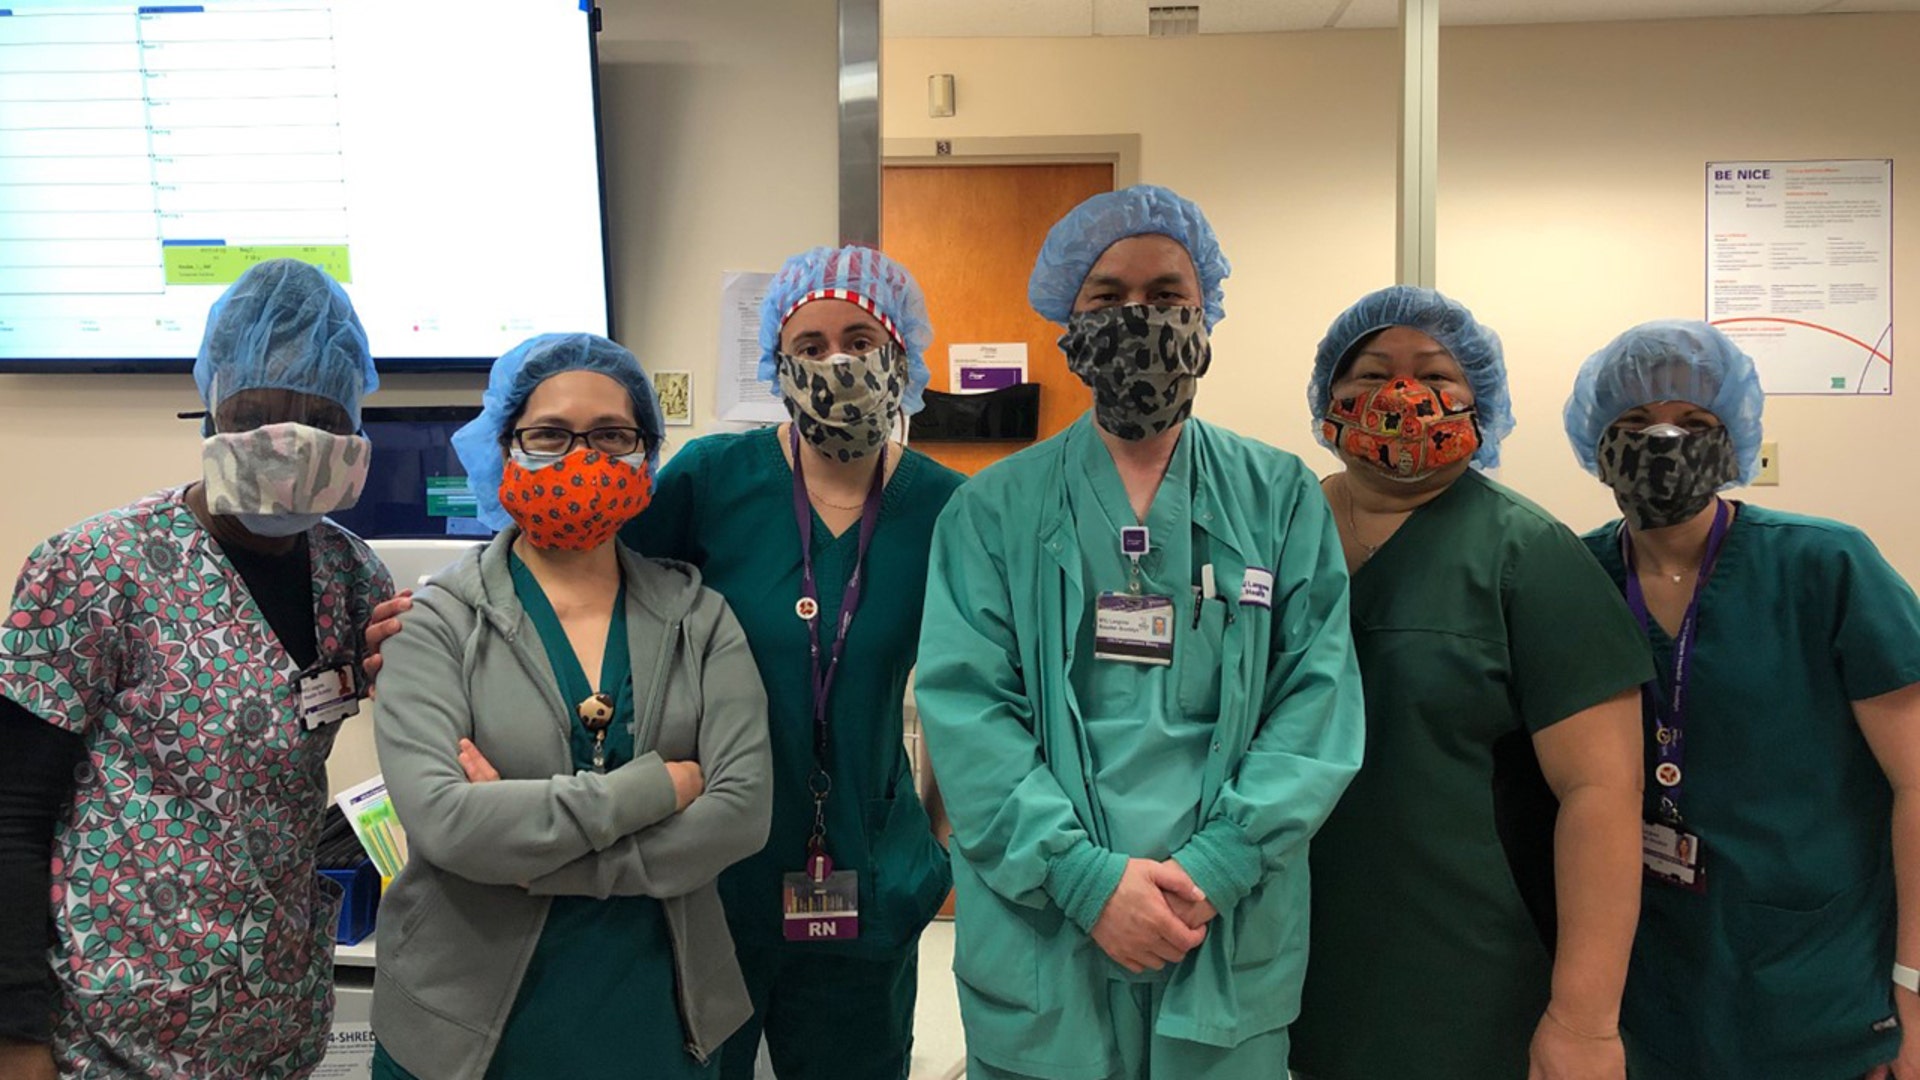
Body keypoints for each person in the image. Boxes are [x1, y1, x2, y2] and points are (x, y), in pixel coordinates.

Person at [913, 185, 1366, 1080]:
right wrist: (1084, 879)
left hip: (1222, 917)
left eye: (1166, 296)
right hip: (1050, 925)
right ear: (1064, 323)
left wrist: (1216, 866)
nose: (1138, 319)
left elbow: (1317, 705)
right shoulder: (993, 510)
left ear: (1207, 317)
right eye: (1107, 297)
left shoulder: (1277, 499)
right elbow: (967, 712)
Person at [0, 259, 393, 1078]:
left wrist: (419, 664)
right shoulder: (96, 566)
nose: (285, 441)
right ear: (210, 409)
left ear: (355, 425)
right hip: (103, 1041)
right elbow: (11, 813)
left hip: (276, 1027)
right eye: (254, 414)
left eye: (317, 417)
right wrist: (16, 1037)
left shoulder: (353, 578)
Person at [365, 333, 772, 1080]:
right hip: (460, 1032)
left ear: (647, 455)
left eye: (612, 436)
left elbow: (742, 814)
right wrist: (658, 788)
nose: (581, 459)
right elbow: (446, 821)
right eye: (549, 435)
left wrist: (533, 859)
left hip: (659, 1017)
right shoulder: (437, 624)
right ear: (503, 448)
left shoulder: (701, 619)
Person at [1286, 285, 1650, 1080]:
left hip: (1469, 983)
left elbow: (1604, 794)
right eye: (1374, 372)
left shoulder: (1528, 556)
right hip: (1283, 972)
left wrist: (1584, 1019)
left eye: (1437, 377)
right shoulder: (1276, 539)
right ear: (1327, 400)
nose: (1402, 398)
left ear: (1479, 401)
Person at [623, 245, 966, 1080]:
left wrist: (934, 833)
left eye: (859, 338)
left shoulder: (947, 507)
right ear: (777, 362)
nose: (835, 362)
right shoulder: (711, 480)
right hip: (715, 875)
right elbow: (591, 591)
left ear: (901, 355)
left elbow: (985, 687)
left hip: (869, 876)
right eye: (808, 346)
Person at [1563, 320, 1920, 1080]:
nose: (1664, 443)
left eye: (1694, 423)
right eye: (1633, 424)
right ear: (1595, 440)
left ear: (1735, 438)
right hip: (1648, 975)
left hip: (1817, 975)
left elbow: (1918, 783)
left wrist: (1916, 986)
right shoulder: (1572, 576)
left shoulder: (1827, 567)